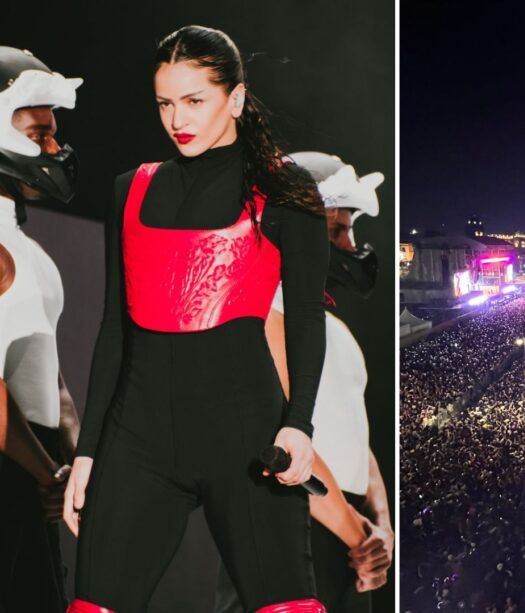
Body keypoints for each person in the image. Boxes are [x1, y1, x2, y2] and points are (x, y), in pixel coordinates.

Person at [62, 26, 330, 613]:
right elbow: (115, 328)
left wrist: (300, 424)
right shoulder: (129, 189)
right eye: (165, 103)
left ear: (234, 98)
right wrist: (88, 452)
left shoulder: (284, 189)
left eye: (194, 100)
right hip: (138, 443)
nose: (177, 119)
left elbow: (308, 317)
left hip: (247, 441)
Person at [214, 153, 393, 613]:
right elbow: (282, 446)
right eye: (337, 230)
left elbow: (357, 437)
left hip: (348, 536)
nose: (351, 246)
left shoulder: (333, 329)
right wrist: (361, 535)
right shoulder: (260, 314)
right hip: (294, 526)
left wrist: (382, 526)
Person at [0, 45, 82, 613]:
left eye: (53, 133)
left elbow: (48, 378)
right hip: (16, 468)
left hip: (34, 472)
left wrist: (75, 462)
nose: (53, 148)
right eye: (38, 133)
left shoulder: (27, 248)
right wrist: (48, 470)